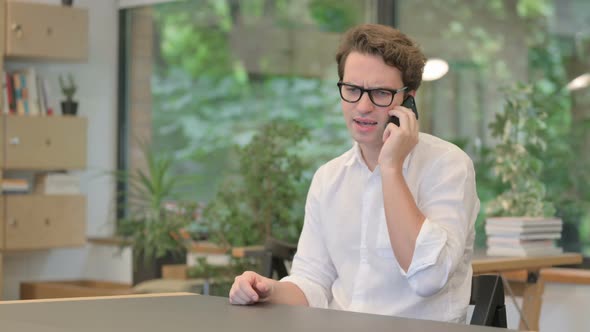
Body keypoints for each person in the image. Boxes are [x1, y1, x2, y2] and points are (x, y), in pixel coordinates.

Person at [229, 23, 479, 323]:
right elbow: (314, 281)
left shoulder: (448, 166)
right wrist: (269, 290)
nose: (362, 106)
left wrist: (390, 168)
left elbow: (428, 278)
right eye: (352, 89)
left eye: (381, 93)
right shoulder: (329, 178)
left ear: (409, 99)